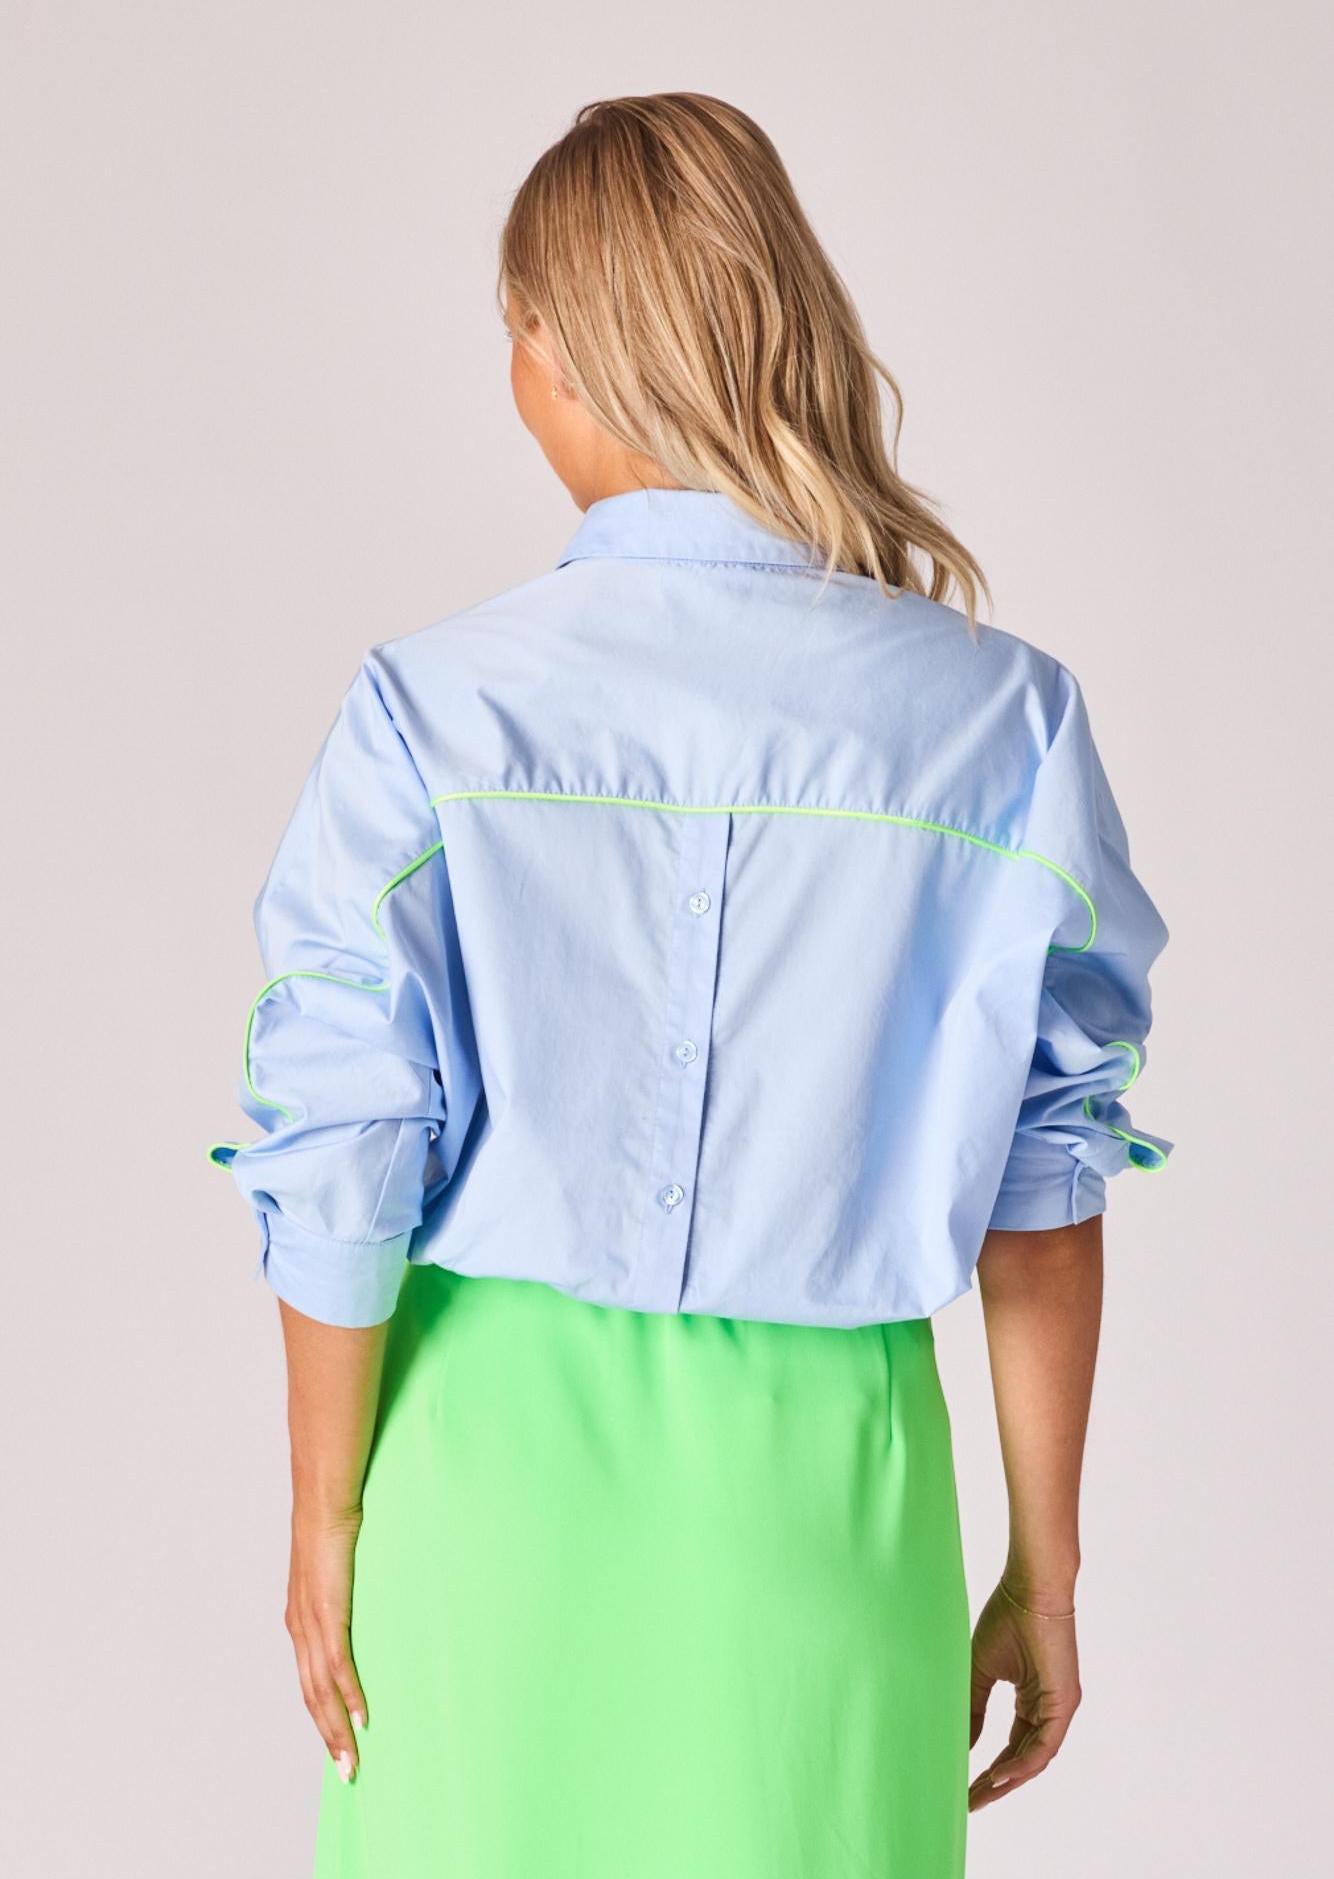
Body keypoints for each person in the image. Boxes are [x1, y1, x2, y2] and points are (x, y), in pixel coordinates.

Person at [209, 91, 1172, 1878]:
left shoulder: (433, 707)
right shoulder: (1002, 721)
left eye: (516, 332)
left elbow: (346, 1147)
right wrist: (1043, 1569)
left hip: (483, 1482)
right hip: (830, 1498)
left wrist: (324, 1518)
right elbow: (1042, 1190)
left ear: (566, 348)